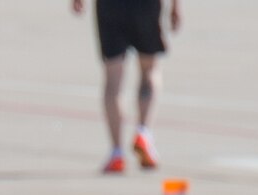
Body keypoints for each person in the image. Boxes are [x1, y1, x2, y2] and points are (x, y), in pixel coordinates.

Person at [72, 0, 181, 173]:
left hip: (111, 6)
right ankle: (143, 132)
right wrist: (176, 6)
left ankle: (117, 152)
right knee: (149, 70)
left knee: (113, 79)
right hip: (146, 6)